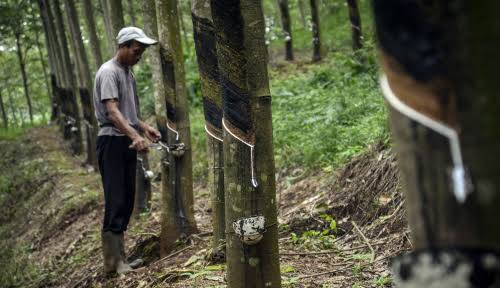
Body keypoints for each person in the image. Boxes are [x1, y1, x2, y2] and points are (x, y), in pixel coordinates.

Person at [93, 27, 161, 275]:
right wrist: (134, 135)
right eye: (136, 50)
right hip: (112, 142)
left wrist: (144, 129)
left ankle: (121, 259)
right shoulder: (109, 72)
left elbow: (128, 115)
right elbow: (112, 112)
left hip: (126, 141)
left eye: (141, 51)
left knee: (127, 199)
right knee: (116, 198)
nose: (139, 55)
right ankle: (112, 264)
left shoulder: (128, 74)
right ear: (123, 46)